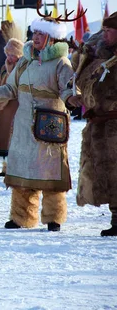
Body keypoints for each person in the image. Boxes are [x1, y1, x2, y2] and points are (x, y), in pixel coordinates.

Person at [0, 14, 80, 231]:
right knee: (21, 169)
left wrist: (72, 98)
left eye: (41, 34)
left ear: (52, 38)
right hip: (23, 123)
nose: (36, 37)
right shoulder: (25, 61)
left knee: (50, 170)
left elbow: (67, 89)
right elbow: (10, 89)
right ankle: (21, 217)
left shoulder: (61, 63)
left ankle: (53, 217)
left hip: (49, 123)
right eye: (35, 33)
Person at [73, 12, 117, 236]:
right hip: (100, 126)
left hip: (113, 124)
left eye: (110, 31)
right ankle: (116, 218)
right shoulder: (100, 57)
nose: (105, 35)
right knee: (108, 175)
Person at [0, 38, 24, 177]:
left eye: (12, 54)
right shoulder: (4, 67)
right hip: (5, 106)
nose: (9, 57)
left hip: (18, 106)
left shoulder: (22, 67)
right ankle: (6, 168)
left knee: (17, 137)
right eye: (7, 54)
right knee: (5, 137)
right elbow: (0, 85)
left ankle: (16, 168)